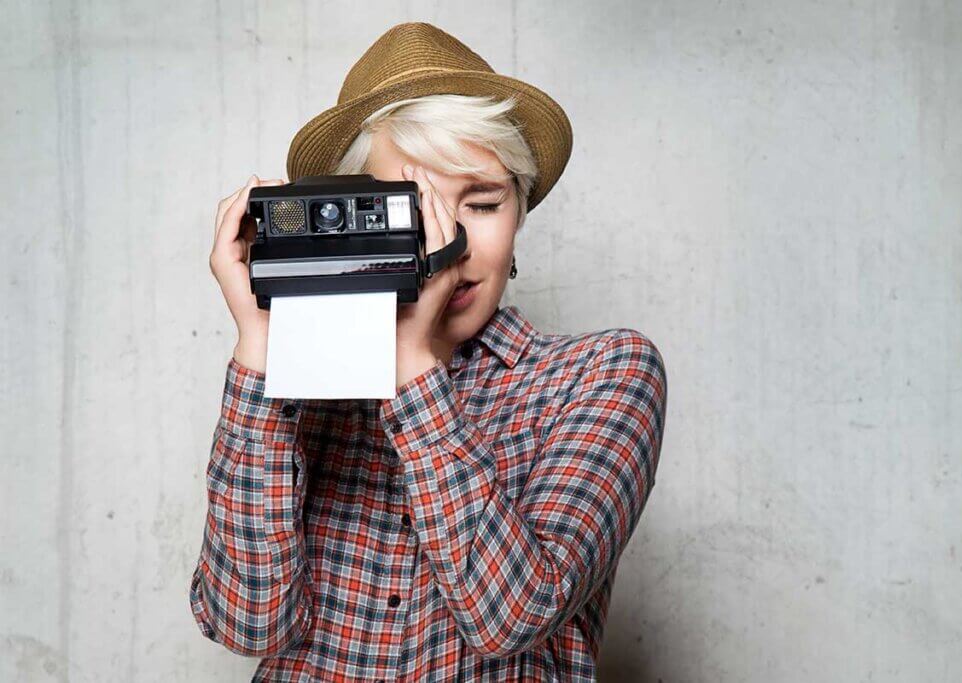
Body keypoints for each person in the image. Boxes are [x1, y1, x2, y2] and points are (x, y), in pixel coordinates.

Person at [191, 21, 668, 682]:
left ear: (520, 212)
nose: (453, 244)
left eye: (482, 202)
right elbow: (246, 620)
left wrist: (414, 361)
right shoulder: (308, 387)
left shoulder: (602, 373)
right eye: (415, 211)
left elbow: (513, 614)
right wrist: (261, 351)